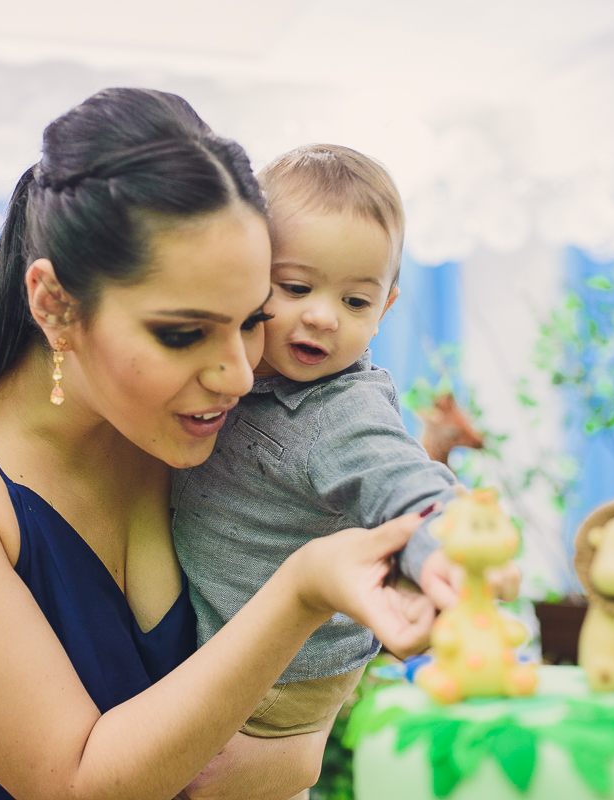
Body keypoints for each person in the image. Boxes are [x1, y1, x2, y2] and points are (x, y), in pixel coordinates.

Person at [0, 89, 441, 800]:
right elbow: (76, 784)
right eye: (181, 333)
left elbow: (295, 737)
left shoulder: (185, 434)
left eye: (250, 319)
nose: (235, 373)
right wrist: (301, 592)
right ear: (54, 303)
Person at [173, 145, 518, 746]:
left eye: (355, 301)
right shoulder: (240, 372)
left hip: (283, 676)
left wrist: (444, 547)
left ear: (385, 308)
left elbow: (404, 482)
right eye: (296, 287)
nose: (324, 316)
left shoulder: (339, 410)